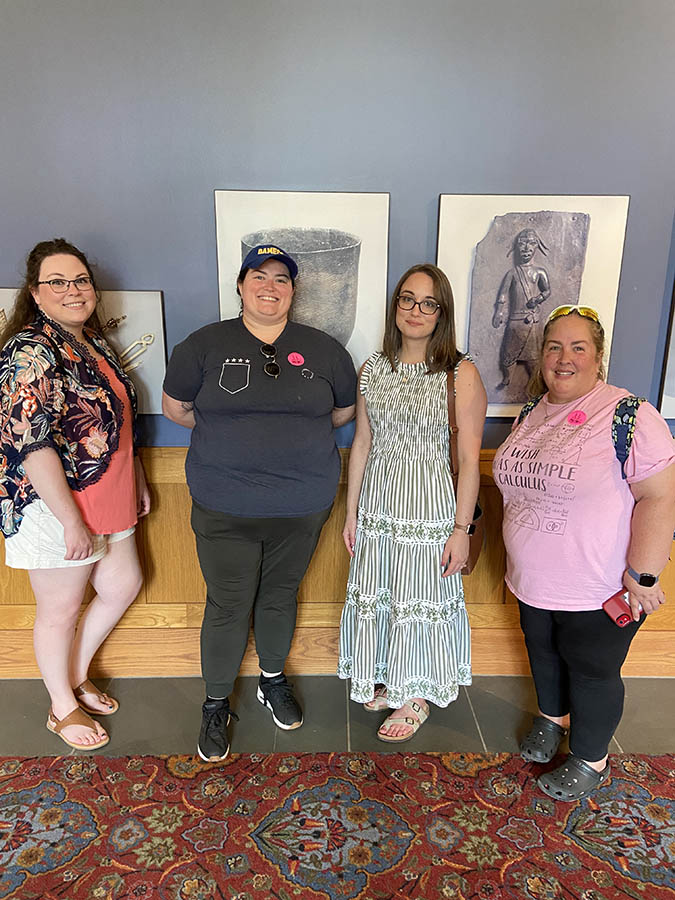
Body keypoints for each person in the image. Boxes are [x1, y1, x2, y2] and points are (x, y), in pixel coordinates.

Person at [162, 244, 356, 762]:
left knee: (279, 594)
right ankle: (215, 702)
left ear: (294, 290)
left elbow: (341, 413)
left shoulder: (325, 350)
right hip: (224, 504)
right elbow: (176, 409)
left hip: (304, 503)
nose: (270, 287)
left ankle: (273, 679)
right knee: (227, 602)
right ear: (242, 285)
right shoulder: (202, 345)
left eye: (281, 279)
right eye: (259, 276)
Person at [493, 305, 675, 800]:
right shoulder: (533, 412)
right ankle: (553, 721)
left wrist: (644, 574)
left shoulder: (628, 415)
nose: (564, 358)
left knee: (593, 672)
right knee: (544, 654)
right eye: (554, 347)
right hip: (531, 578)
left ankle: (591, 758)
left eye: (578, 347)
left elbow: (659, 497)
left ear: (598, 357)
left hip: (599, 586)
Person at [0, 239, 151, 750]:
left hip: (111, 491)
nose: (72, 290)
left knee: (123, 583)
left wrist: (140, 481)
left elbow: (119, 422)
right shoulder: (29, 349)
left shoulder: (88, 341)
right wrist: (69, 521)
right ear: (36, 294)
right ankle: (60, 707)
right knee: (60, 609)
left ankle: (76, 675)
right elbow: (30, 442)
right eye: (57, 283)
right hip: (54, 504)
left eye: (80, 280)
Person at [338, 263, 487, 742]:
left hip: (430, 511)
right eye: (407, 299)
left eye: (428, 302)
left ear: (441, 312)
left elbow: (468, 459)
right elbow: (362, 442)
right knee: (385, 596)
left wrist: (461, 531)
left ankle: (416, 694)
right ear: (395, 306)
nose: (416, 310)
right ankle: (394, 678)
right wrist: (351, 513)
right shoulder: (372, 369)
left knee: (420, 599)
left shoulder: (460, 373)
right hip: (380, 508)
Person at [492, 228, 551, 390]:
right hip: (515, 320)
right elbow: (503, 294)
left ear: (536, 247)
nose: (526, 249)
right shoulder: (512, 273)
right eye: (522, 244)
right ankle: (507, 378)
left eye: (531, 244)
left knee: (533, 356)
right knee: (508, 352)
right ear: (517, 248)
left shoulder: (540, 272)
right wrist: (499, 311)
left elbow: (547, 291)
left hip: (532, 320)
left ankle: (535, 382)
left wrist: (538, 299)